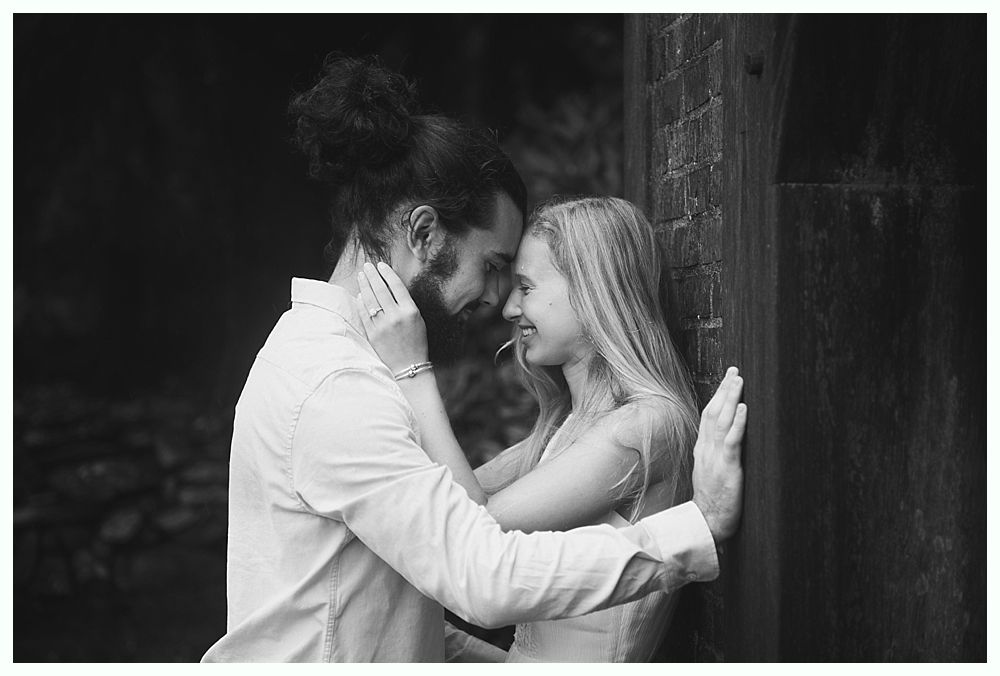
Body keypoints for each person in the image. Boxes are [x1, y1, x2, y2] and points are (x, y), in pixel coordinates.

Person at [201, 55, 745, 663]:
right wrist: (701, 528)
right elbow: (483, 576)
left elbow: (388, 601)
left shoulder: (334, 363)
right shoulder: (338, 386)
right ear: (425, 233)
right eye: (491, 266)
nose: (495, 300)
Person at [361, 196, 728, 661]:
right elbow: (442, 497)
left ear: (593, 291)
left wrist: (412, 370)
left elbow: (469, 534)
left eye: (526, 287)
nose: (510, 309)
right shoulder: (569, 424)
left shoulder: (643, 426)